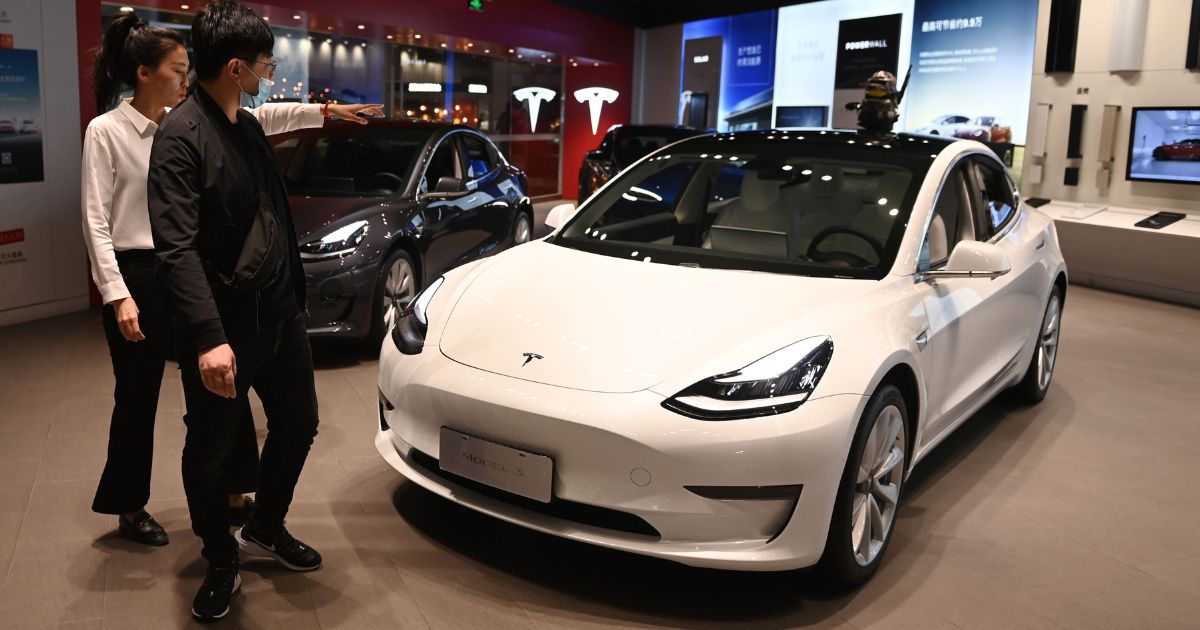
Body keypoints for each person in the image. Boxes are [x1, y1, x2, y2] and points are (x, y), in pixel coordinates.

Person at [82, 9, 382, 548]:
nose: (186, 78)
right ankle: (129, 503)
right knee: (138, 396)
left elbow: (268, 117)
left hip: (196, 269)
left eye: (188, 68)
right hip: (142, 274)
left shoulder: (208, 119)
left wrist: (327, 109)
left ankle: (236, 492)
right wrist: (117, 294)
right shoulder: (111, 132)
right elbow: (96, 221)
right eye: (177, 70)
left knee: (224, 390)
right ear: (146, 72)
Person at [147, 1, 349, 621]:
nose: (270, 71)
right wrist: (208, 337)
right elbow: (175, 246)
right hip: (223, 331)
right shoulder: (181, 138)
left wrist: (296, 300)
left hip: (280, 316)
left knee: (299, 423)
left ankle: (265, 526)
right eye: (265, 63)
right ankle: (220, 557)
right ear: (236, 68)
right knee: (208, 450)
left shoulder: (249, 126)